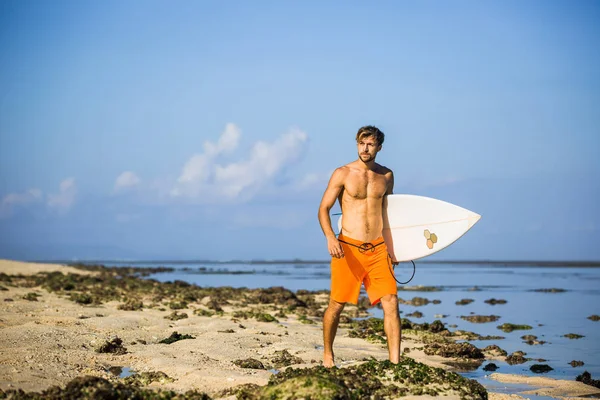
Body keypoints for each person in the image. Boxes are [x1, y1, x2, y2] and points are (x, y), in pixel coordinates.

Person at [317, 125, 400, 368]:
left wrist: (394, 249)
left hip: (378, 249)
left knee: (391, 302)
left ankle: (395, 363)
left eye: (370, 144)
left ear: (379, 147)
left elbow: (389, 214)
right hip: (347, 248)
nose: (365, 148)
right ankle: (328, 356)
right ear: (357, 144)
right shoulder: (342, 173)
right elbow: (323, 208)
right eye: (361, 143)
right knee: (336, 304)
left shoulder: (386, 176)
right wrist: (330, 237)